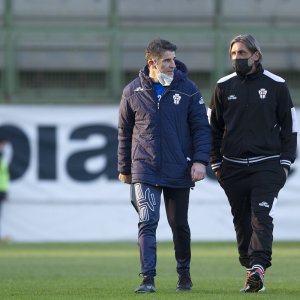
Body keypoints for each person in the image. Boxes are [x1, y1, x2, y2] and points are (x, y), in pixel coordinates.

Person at [118, 38, 211, 293]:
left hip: (179, 168)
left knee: (178, 224)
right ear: (152, 63)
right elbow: (124, 133)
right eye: (167, 61)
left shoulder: (189, 89)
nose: (173, 65)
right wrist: (125, 168)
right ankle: (147, 278)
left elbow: (202, 129)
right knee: (147, 221)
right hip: (144, 169)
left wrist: (201, 161)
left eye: (173, 59)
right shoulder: (132, 91)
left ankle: (184, 274)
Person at [208, 34, 297, 293]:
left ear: (255, 55)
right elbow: (212, 129)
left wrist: (284, 163)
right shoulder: (223, 86)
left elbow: (289, 129)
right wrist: (216, 163)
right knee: (242, 222)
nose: (237, 58)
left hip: (267, 166)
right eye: (234, 54)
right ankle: (251, 271)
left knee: (261, 216)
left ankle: (258, 266)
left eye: (242, 53)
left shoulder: (277, 85)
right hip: (231, 168)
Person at [0, 136, 10, 239]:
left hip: (1, 190)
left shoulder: (2, 157)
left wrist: (5, 191)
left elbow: (4, 176)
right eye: (2, 144)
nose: (2, 147)